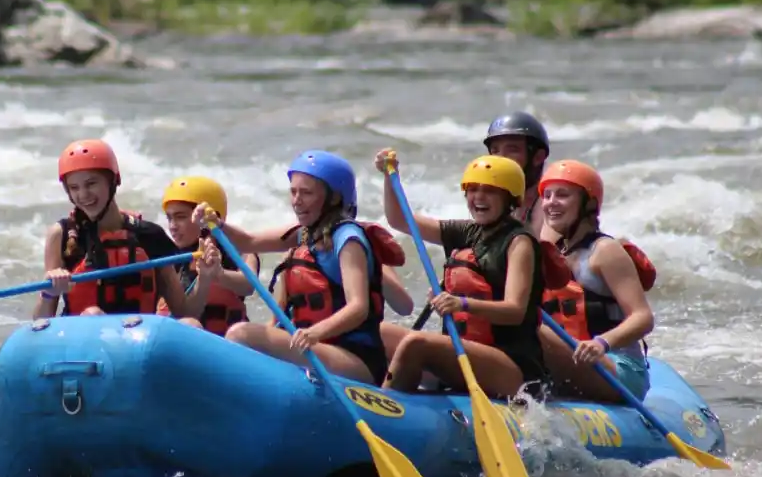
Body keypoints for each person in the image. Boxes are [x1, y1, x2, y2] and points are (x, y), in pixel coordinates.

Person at [190, 149, 413, 384]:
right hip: (317, 348)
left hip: (354, 358)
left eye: (306, 193)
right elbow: (249, 241)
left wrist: (315, 333)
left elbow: (359, 308)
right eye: (293, 191)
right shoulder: (304, 235)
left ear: (334, 198)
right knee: (245, 334)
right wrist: (215, 222)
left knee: (241, 333)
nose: (296, 200)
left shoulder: (348, 239)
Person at [374, 151, 572, 399]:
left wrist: (461, 303)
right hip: (466, 351)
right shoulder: (468, 231)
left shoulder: (519, 242)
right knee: (375, 331)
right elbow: (400, 220)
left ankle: (387, 406)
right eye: (472, 189)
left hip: (512, 367)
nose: (478, 197)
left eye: (489, 191)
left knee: (416, 344)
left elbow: (515, 310)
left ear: (509, 198)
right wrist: (389, 177)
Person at [32, 139, 221, 319]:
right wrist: (49, 293)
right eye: (74, 187)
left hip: (136, 337)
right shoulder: (62, 235)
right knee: (93, 314)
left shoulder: (149, 236)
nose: (83, 194)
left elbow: (185, 313)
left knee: (191, 324)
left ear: (113, 181)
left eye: (91, 184)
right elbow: (40, 321)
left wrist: (204, 278)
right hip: (81, 338)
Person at [536, 160, 658, 402]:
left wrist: (602, 343)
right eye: (547, 195)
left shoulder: (604, 251)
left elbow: (643, 317)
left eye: (562, 195)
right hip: (573, 362)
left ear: (588, 203)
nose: (551, 203)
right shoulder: (552, 250)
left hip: (617, 368)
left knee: (526, 323)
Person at [156, 175, 260, 335]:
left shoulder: (240, 250)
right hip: (187, 340)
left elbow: (248, 285)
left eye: (181, 217)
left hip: (227, 342)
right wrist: (203, 279)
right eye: (169, 218)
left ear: (207, 218)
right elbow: (185, 315)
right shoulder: (168, 257)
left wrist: (219, 274)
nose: (172, 226)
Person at [483, 112, 551, 234]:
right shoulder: (497, 204)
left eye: (512, 150)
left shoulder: (549, 206)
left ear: (538, 157)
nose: (501, 159)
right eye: (495, 151)